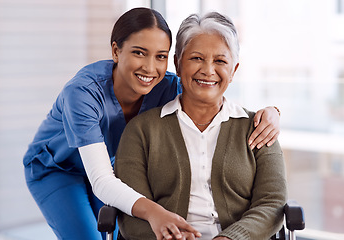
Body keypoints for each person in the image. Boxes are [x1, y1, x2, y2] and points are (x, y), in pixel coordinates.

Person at [23, 7, 281, 240]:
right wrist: (156, 213)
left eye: (160, 56)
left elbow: (211, 90)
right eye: (139, 53)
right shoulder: (82, 93)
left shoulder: (167, 85)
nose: (150, 68)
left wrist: (272, 112)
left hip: (111, 168)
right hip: (58, 169)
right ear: (116, 51)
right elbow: (101, 180)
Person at [114, 11, 287, 240]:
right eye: (196, 58)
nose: (208, 70)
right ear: (177, 62)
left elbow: (272, 203)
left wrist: (229, 238)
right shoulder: (140, 131)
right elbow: (131, 212)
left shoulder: (259, 128)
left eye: (220, 61)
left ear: (234, 70)